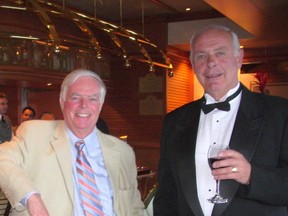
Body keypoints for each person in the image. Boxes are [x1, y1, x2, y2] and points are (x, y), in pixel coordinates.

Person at [153, 25, 288, 216]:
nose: (211, 63)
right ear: (193, 63)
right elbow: (166, 195)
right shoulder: (174, 121)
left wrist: (251, 175)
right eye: (201, 56)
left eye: (220, 53)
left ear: (238, 58)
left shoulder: (280, 113)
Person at [0, 69, 144, 215]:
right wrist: (31, 198)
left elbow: (135, 208)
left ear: (100, 104)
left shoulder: (123, 152)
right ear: (62, 102)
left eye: (92, 98)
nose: (84, 105)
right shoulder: (34, 134)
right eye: (75, 98)